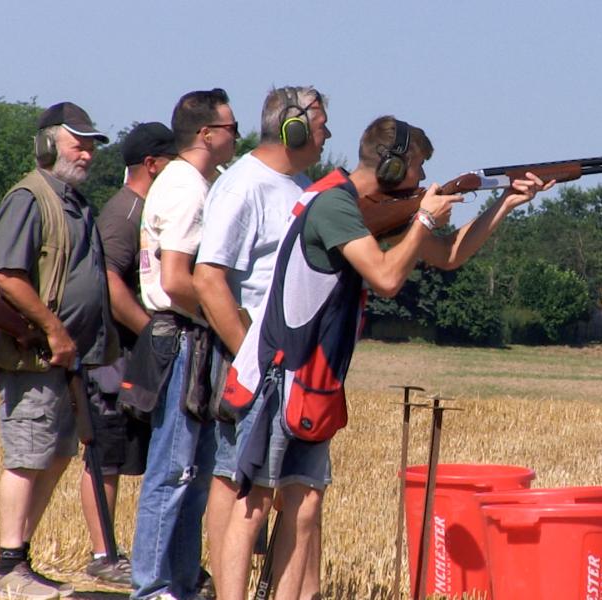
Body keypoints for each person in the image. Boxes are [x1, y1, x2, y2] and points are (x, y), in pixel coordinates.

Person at [221, 116, 553, 600]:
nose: (420, 181)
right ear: (392, 165)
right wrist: (422, 218)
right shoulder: (334, 204)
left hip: (313, 381)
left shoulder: (357, 211)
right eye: (417, 168)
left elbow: (449, 256)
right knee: (253, 504)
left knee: (306, 504)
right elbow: (386, 279)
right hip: (280, 372)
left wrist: (504, 203)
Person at [0, 102, 116, 599]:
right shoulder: (30, 197)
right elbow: (8, 276)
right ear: (48, 145)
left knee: (53, 455)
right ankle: (7, 567)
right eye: (79, 143)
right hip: (34, 354)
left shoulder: (75, 201)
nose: (89, 153)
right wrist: (54, 330)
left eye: (92, 145)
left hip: (65, 358)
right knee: (29, 454)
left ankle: (19, 559)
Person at [193, 86, 329, 599]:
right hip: (258, 366)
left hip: (294, 369)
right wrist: (252, 358)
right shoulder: (244, 185)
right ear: (292, 126)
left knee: (293, 492)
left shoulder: (302, 185)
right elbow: (208, 278)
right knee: (240, 488)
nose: (327, 134)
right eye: (321, 124)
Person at [128, 89, 237, 600]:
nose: (237, 137)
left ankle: (181, 582)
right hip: (185, 337)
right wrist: (230, 316)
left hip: (185, 336)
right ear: (206, 134)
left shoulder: (185, 181)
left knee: (189, 477)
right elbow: (175, 278)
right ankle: (151, 589)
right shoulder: (188, 188)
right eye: (231, 128)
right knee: (172, 472)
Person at [79, 122, 176, 586]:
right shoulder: (125, 213)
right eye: (172, 160)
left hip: (131, 353)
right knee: (107, 457)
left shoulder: (148, 207)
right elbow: (111, 282)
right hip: (111, 357)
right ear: (153, 164)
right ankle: (104, 556)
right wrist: (154, 334)